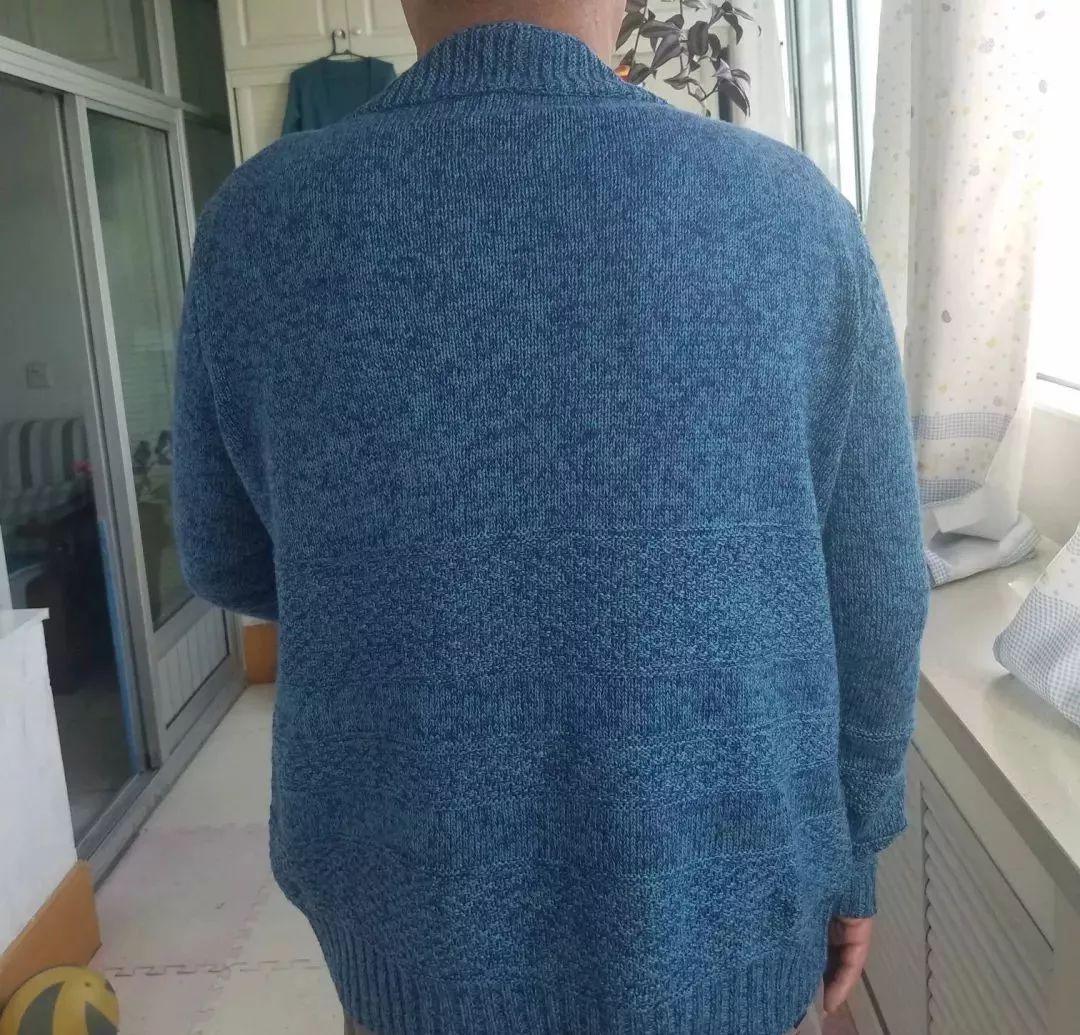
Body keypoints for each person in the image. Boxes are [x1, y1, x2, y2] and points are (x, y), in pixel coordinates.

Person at [172, 1, 929, 1032]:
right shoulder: (791, 214)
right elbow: (878, 593)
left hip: (414, 939)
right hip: (734, 925)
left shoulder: (260, 222)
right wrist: (856, 847)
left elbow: (224, 558)